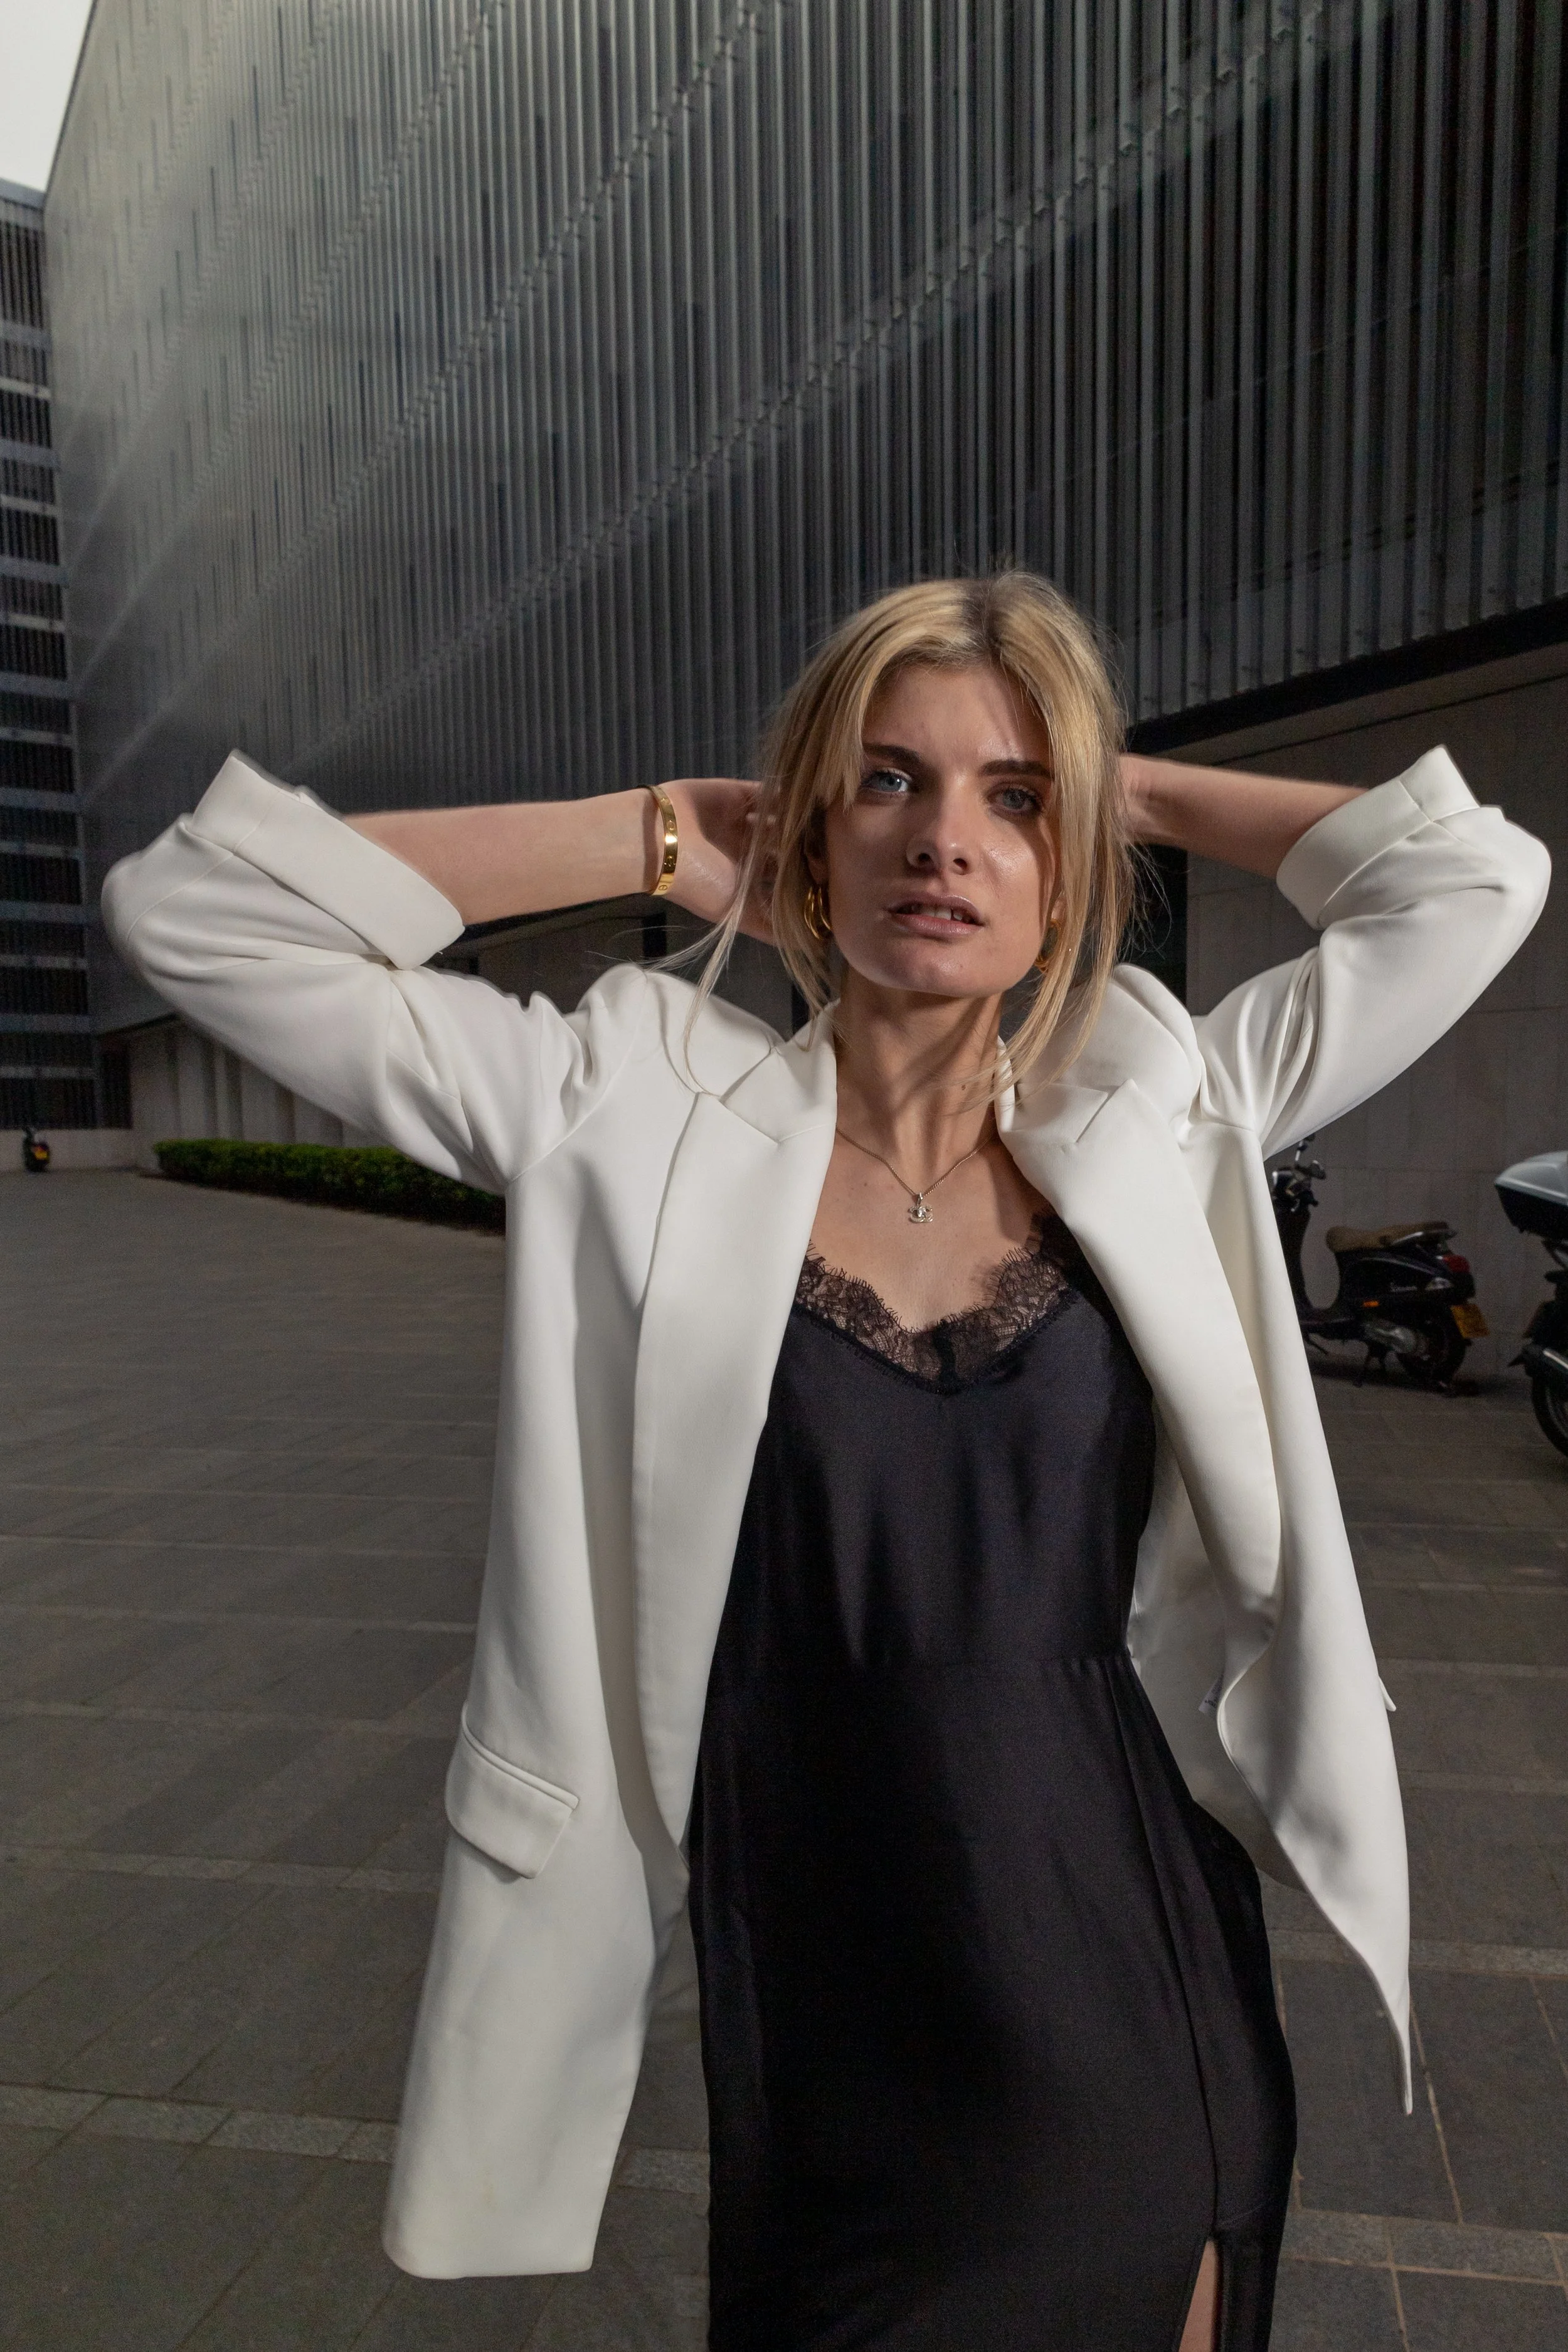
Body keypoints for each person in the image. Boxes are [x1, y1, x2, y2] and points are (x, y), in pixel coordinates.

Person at [103, 573, 1549, 2350]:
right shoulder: (622, 1107)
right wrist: (652, 833)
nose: (945, 840)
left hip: (1121, 1949)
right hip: (818, 1960)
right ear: (802, 829)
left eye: (1012, 799)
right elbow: (200, 912)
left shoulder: (1168, 1104)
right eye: (886, 781)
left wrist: (1122, 784)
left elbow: (1469, 881)